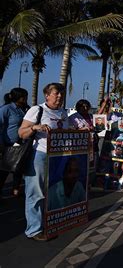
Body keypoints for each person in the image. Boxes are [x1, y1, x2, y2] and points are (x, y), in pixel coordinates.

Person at [18, 83, 69, 241]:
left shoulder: (64, 113)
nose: (59, 96)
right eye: (56, 93)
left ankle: (49, 223)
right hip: (39, 156)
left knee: (52, 192)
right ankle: (34, 230)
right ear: (47, 95)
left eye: (61, 93)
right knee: (36, 193)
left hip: (58, 157)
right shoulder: (37, 110)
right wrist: (34, 128)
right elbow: (21, 132)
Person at [0, 88, 29, 198]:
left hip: (22, 143)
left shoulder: (24, 109)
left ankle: (15, 189)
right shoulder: (6, 109)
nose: (25, 99)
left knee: (19, 168)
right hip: (9, 144)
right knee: (5, 170)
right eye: (23, 97)